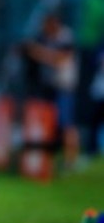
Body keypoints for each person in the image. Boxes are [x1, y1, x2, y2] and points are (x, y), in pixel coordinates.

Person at [24, 13, 80, 169]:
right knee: (48, 123)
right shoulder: (43, 37)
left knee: (66, 123)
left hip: (64, 87)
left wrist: (39, 53)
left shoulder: (65, 37)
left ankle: (71, 159)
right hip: (47, 86)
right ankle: (45, 157)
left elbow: (61, 59)